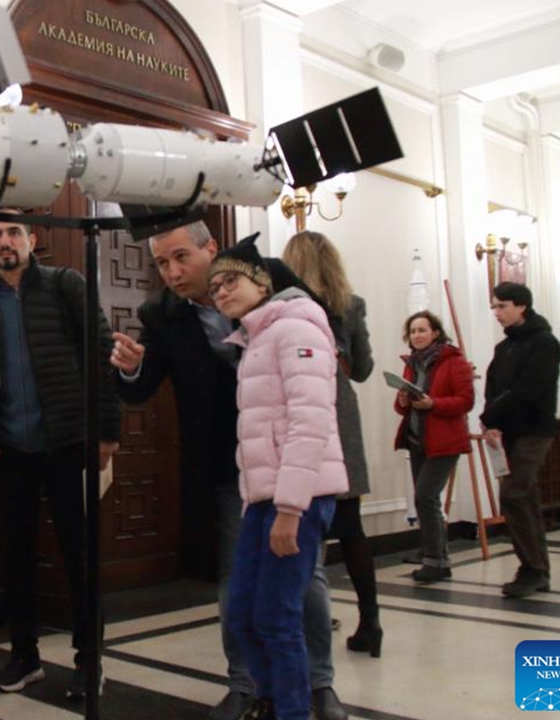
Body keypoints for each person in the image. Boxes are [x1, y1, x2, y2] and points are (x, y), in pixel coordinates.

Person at [108, 223, 346, 720]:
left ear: (210, 248)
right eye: (161, 264)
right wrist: (130, 367)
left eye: (180, 258)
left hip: (291, 461)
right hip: (226, 461)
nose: (172, 273)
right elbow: (140, 387)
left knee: (303, 578)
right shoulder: (162, 313)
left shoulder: (270, 281)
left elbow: (322, 343)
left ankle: (318, 684)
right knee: (236, 581)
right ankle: (249, 685)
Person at [0, 209, 121, 700]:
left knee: (79, 554)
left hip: (68, 442)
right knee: (16, 558)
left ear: (31, 239)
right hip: (11, 450)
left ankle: (89, 663)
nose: (4, 242)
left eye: (12, 233)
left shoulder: (65, 285)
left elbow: (102, 351)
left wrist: (107, 429)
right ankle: (24, 657)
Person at [209, 236, 349, 720]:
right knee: (245, 612)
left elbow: (310, 422)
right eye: (215, 288)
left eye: (231, 281)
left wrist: (290, 508)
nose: (221, 293)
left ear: (262, 281)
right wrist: (258, 502)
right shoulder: (256, 339)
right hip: (263, 497)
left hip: (299, 497)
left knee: (276, 615)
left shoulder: (296, 329)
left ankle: (293, 711)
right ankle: (272, 699)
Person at [282, 231, 382, 659]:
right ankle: (371, 622)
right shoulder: (351, 305)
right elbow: (361, 369)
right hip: (342, 415)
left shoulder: (283, 305)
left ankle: (310, 617)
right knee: (351, 526)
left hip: (300, 412)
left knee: (304, 525)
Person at [480, 282, 560, 598]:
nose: (497, 313)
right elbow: (493, 389)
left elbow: (530, 389)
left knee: (515, 495)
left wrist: (492, 416)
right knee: (524, 497)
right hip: (507, 432)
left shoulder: (545, 343)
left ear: (521, 306)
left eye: (502, 306)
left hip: (533, 429)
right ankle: (536, 568)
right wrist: (491, 422)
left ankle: (533, 568)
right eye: (494, 307)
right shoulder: (504, 348)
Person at [393, 311, 474, 584]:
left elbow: (465, 401)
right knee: (427, 499)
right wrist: (403, 400)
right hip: (418, 439)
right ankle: (436, 555)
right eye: (413, 331)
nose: (417, 335)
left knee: (425, 497)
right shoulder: (411, 364)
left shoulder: (454, 361)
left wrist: (433, 404)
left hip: (444, 440)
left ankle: (436, 561)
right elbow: (400, 407)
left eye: (422, 330)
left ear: (435, 333)